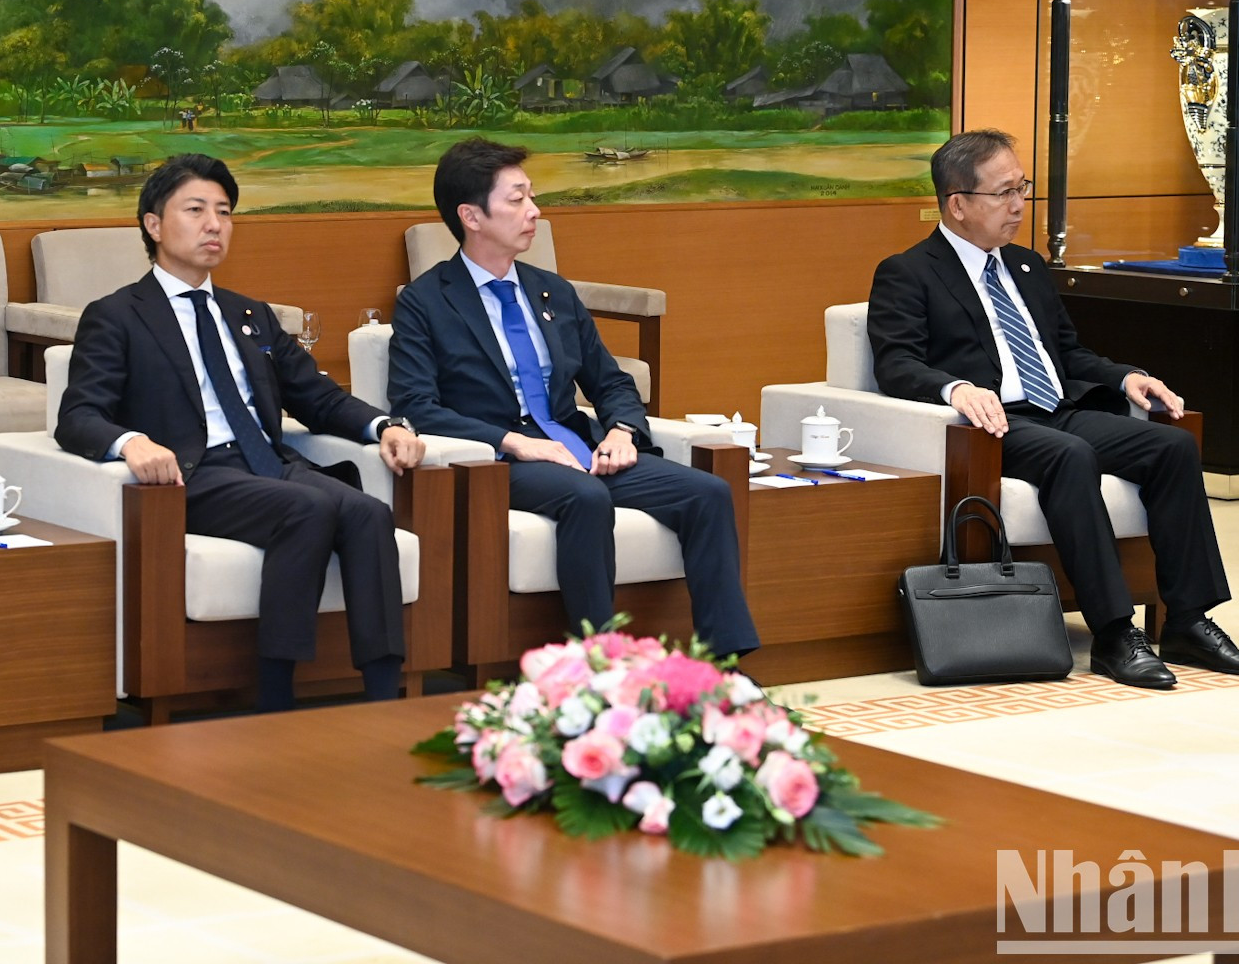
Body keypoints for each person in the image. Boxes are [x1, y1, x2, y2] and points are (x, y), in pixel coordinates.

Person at [867, 128, 1239, 689]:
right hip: (994, 425)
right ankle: (1113, 633)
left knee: (1171, 446)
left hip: (1057, 407)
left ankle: (1188, 620)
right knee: (1070, 455)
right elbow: (897, 363)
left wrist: (1126, 376)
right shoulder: (908, 272)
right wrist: (955, 388)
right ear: (957, 204)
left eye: (1022, 188)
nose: (1018, 205)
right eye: (1003, 192)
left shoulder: (1027, 267)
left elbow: (1069, 354)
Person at [54, 153, 425, 711]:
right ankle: (274, 696)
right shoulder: (117, 315)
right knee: (307, 509)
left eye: (224, 213)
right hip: (196, 475)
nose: (214, 225)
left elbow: (317, 397)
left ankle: (382, 694)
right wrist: (132, 441)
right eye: (196, 210)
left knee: (367, 510)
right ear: (153, 226)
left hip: (268, 467)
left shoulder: (250, 314)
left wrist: (384, 425)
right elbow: (77, 415)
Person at [387, 138, 760, 659]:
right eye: (516, 200)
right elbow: (415, 405)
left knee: (708, 493)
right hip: (501, 460)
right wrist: (514, 442)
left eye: (531, 196)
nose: (534, 211)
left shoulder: (551, 291)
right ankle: (599, 666)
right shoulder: (426, 302)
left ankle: (725, 665)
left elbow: (610, 382)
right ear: (471, 215)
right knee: (585, 498)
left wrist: (622, 432)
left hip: (576, 445)